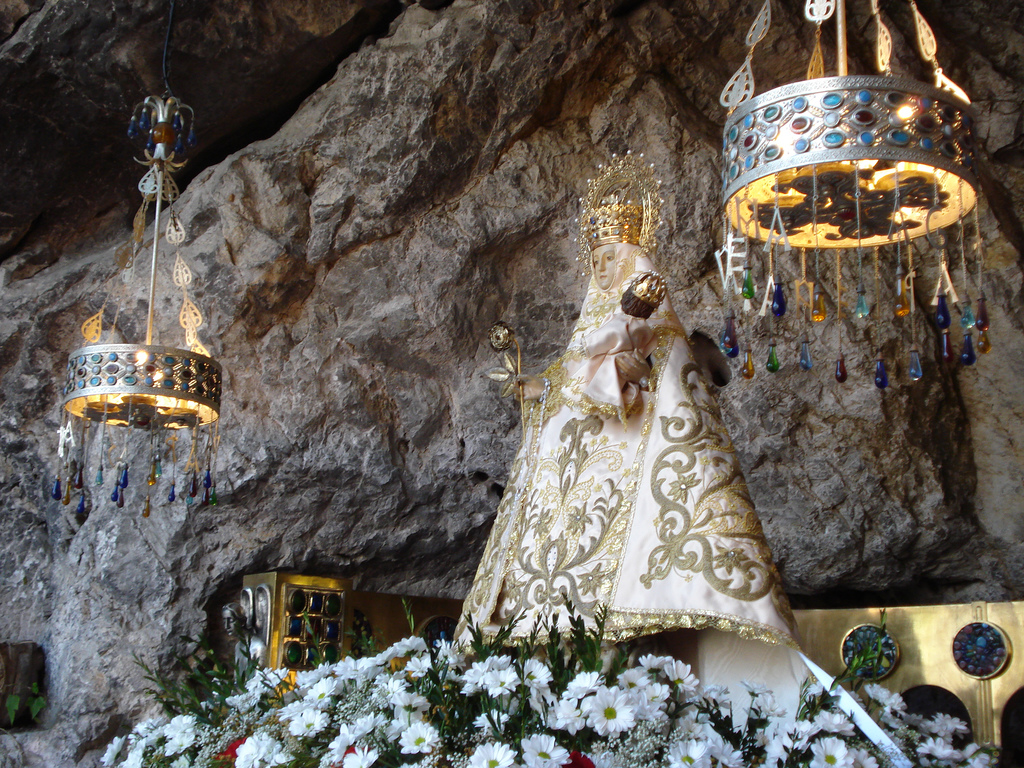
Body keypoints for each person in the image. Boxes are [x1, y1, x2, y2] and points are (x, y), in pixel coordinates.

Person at [459, 154, 807, 698]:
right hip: (579, 501)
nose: (603, 267)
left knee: (646, 586)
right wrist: (533, 385)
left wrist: (627, 333)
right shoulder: (590, 329)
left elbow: (645, 381)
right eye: (596, 257)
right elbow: (569, 384)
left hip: (641, 486)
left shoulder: (651, 319)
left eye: (612, 255)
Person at [569, 271, 665, 427]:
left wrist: (586, 346)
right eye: (597, 262)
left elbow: (606, 336)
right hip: (628, 359)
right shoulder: (645, 328)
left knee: (600, 384)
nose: (603, 268)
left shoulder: (621, 321)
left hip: (614, 361)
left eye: (609, 258)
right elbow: (647, 343)